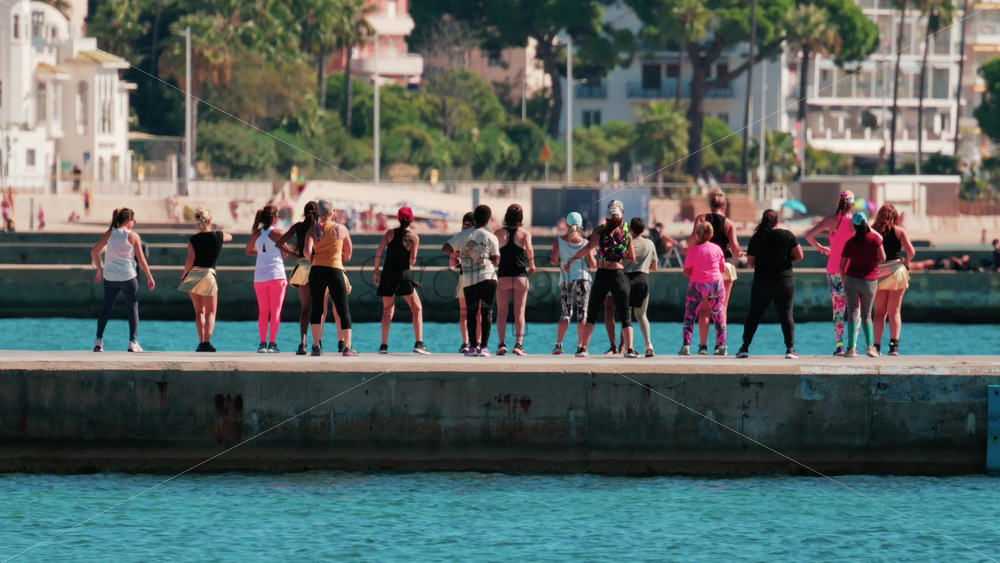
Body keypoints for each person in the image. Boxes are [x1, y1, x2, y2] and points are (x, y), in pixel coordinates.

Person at [564, 200, 638, 358]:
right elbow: (632, 257)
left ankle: (583, 348)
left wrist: (572, 260)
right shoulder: (627, 233)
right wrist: (618, 254)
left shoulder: (601, 230)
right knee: (625, 314)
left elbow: (588, 248)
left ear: (607, 218)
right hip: (619, 275)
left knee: (593, 312)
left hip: (603, 274)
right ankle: (630, 349)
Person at [276, 201, 345, 355]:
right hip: (318, 266)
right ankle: (318, 342)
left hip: (302, 267)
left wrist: (294, 254)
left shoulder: (298, 226)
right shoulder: (319, 228)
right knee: (320, 308)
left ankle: (303, 343)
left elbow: (280, 243)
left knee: (305, 309)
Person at [736, 210, 804, 359]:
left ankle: (744, 348)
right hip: (785, 281)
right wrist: (785, 258)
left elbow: (751, 263)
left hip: (762, 282)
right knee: (786, 316)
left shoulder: (756, 237)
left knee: (754, 315)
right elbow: (800, 256)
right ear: (777, 222)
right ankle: (790, 349)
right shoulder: (787, 235)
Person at [90, 208, 156, 352]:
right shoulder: (133, 236)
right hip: (128, 276)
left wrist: (100, 271)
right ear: (128, 221)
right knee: (133, 307)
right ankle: (133, 342)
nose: (134, 224)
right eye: (134, 221)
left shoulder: (110, 234)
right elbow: (141, 259)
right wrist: (150, 277)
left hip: (110, 277)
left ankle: (98, 341)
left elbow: (94, 251)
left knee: (106, 307)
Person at [805, 190, 859, 356]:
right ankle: (853, 346)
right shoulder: (856, 221)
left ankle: (840, 345)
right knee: (855, 308)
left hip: (834, 270)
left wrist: (820, 247)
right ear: (853, 203)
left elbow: (809, 235)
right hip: (853, 271)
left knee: (838, 309)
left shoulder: (831, 220)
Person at [689, 188, 742, 355]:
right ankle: (721, 346)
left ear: (710, 205)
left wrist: (690, 251)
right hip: (725, 265)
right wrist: (741, 253)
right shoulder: (729, 224)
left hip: (704, 266)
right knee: (721, 308)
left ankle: (703, 346)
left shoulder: (701, 219)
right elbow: (735, 248)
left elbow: (693, 241)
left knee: (704, 309)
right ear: (724, 207)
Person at [443, 205, 500, 357]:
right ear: (487, 220)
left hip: (469, 279)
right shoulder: (491, 236)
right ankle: (485, 348)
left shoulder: (463, 235)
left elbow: (445, 248)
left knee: (471, 313)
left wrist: (459, 251)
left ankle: (473, 347)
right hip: (488, 278)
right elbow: (496, 260)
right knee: (487, 312)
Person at [374, 206, 430, 354]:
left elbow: (379, 251)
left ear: (398, 219)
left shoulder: (389, 233)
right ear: (411, 220)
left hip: (388, 275)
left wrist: (375, 270)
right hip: (403, 276)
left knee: (387, 311)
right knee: (417, 308)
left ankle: (384, 346)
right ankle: (419, 343)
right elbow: (412, 261)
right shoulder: (414, 238)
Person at [304, 199, 356, 356]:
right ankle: (347, 346)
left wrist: (313, 260)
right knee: (342, 309)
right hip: (335, 269)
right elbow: (348, 254)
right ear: (333, 213)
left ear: (318, 214)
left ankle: (315, 346)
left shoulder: (313, 230)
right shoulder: (342, 229)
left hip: (317, 270)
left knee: (317, 308)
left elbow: (307, 251)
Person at [178, 207, 232, 352]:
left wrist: (184, 276)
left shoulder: (193, 240)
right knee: (210, 313)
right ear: (210, 221)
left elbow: (190, 260)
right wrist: (218, 230)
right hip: (208, 275)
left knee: (199, 312)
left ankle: (201, 341)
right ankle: (206, 342)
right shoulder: (218, 236)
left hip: (193, 276)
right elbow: (230, 236)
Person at [246, 204, 295, 353]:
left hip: (260, 277)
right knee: (276, 311)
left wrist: (261, 253)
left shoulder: (256, 234)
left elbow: (249, 251)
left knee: (263, 311)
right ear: (274, 218)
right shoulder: (279, 233)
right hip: (276, 275)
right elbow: (285, 254)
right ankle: (272, 344)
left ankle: (262, 343)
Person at [871, 204, 916, 356]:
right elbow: (911, 251)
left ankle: (876, 346)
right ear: (895, 217)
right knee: (894, 311)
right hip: (896, 271)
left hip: (878, 273)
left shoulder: (873, 231)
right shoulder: (899, 231)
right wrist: (907, 263)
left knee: (879, 312)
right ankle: (894, 346)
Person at [839, 211, 886, 358]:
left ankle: (851, 348)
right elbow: (883, 257)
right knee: (867, 314)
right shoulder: (874, 240)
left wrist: (843, 278)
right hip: (870, 281)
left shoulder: (850, 242)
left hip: (852, 279)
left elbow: (842, 265)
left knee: (853, 312)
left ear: (854, 226)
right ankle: (870, 347)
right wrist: (873, 261)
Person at [679, 221, 727, 355]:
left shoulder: (692, 251)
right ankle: (722, 346)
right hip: (716, 283)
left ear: (697, 235)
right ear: (711, 234)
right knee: (718, 314)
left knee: (690, 315)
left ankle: (686, 345)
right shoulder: (717, 249)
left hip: (697, 285)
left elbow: (687, 272)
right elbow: (722, 268)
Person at [551, 212, 595, 355]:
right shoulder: (586, 243)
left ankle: (559, 345)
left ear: (567, 224)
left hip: (566, 280)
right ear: (580, 225)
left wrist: (563, 262)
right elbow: (593, 265)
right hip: (583, 279)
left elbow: (553, 260)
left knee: (565, 314)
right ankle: (582, 346)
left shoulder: (559, 240)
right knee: (582, 313)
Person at [494, 204, 535, 355]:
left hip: (503, 276)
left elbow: (493, 253)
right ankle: (519, 344)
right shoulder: (524, 233)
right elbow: (529, 249)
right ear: (520, 217)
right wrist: (532, 264)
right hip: (520, 276)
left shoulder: (498, 233)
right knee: (519, 312)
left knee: (502, 312)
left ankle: (501, 343)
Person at [625, 217, 658, 357]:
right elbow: (654, 266)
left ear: (630, 229)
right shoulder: (650, 243)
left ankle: (629, 347)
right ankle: (648, 344)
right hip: (643, 279)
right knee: (642, 315)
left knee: (626, 316)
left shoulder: (626, 242)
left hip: (625, 279)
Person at [451, 212, 477, 353]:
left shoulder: (459, 238)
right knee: (478, 313)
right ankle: (478, 342)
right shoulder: (480, 236)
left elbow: (452, 260)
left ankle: (465, 343)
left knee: (464, 314)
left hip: (464, 277)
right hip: (479, 277)